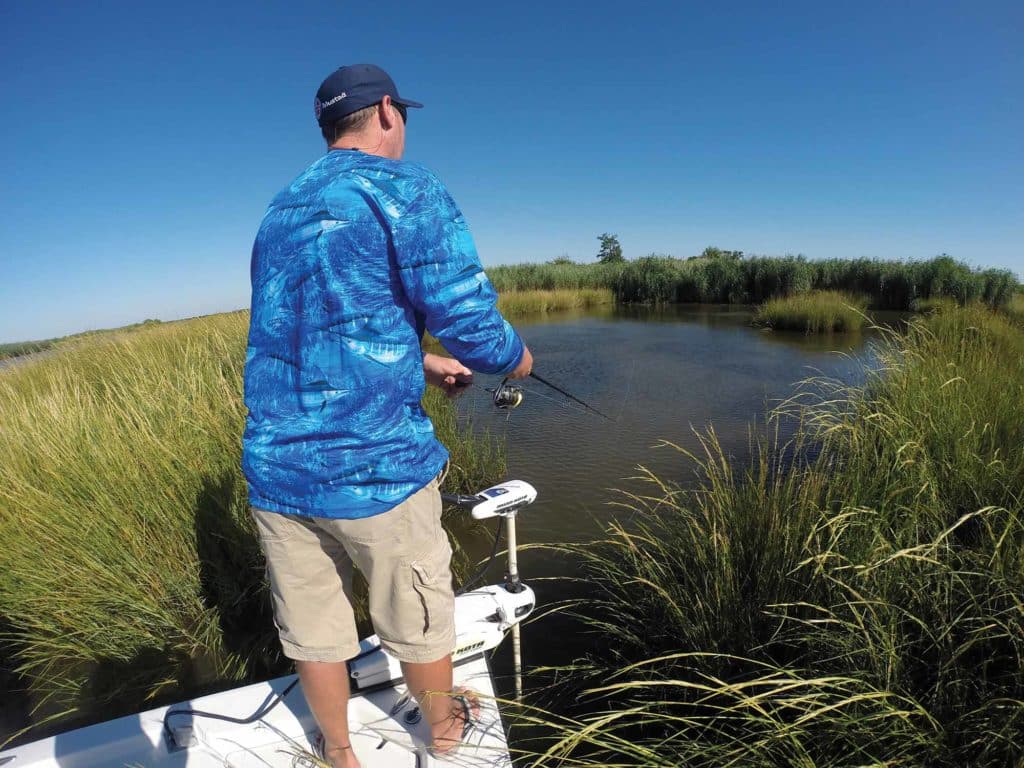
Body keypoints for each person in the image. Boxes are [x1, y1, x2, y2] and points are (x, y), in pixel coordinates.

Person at [241, 63, 533, 768]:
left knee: (314, 630)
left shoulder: (281, 209)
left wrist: (422, 363)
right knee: (419, 618)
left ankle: (339, 753)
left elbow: (304, 331)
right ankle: (443, 733)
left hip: (278, 474)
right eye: (402, 115)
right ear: (386, 113)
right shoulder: (407, 188)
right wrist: (515, 356)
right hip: (378, 471)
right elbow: (469, 320)